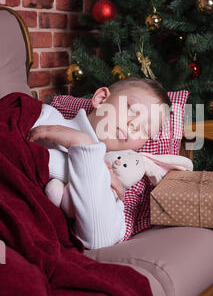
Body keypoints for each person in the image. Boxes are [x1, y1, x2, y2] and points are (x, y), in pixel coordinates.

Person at [27, 77, 172, 250]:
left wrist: (84, 146)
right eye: (132, 110)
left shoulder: (113, 186)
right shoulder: (47, 117)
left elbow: (98, 240)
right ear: (101, 99)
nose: (134, 125)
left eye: (146, 130)